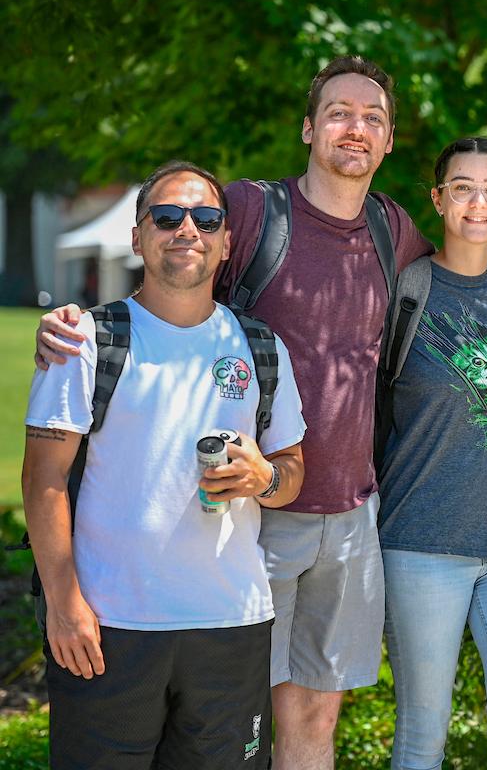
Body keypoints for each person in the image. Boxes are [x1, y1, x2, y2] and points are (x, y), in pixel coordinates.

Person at [34, 56, 432, 769]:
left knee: (311, 717)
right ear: (308, 128)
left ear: (391, 141)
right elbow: (176, 257)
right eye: (339, 112)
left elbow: (463, 274)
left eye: (374, 117)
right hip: (247, 524)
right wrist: (75, 324)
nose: (356, 127)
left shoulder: (390, 228)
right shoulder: (251, 209)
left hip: (341, 511)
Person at [22, 161, 307, 769]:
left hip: (231, 625)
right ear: (137, 235)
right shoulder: (86, 342)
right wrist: (64, 603)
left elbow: (291, 470)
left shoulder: (261, 348)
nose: (187, 230)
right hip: (110, 626)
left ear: (226, 242)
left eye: (206, 218)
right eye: (167, 216)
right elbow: (43, 479)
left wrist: (267, 479)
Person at [375, 137, 487, 769]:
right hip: (422, 540)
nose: (477, 201)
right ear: (438, 199)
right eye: (462, 187)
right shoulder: (406, 291)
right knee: (424, 736)